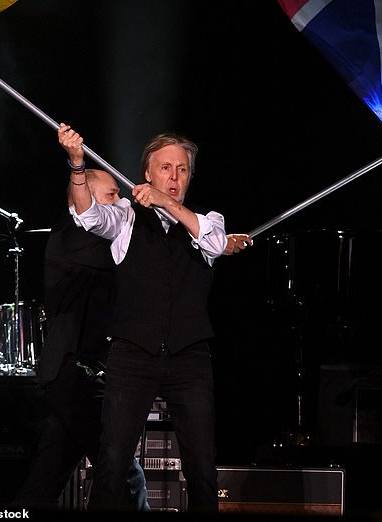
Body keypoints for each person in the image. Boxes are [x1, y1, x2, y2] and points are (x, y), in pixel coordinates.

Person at [58, 122, 251, 513]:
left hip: (189, 358)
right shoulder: (126, 218)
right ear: (147, 173)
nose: (173, 177)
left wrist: (166, 203)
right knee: (112, 464)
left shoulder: (208, 222)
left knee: (201, 469)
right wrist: (77, 164)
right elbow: (89, 215)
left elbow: (213, 243)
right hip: (132, 355)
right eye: (165, 168)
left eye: (181, 169)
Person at [12, 167, 149, 510]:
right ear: (84, 197)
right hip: (73, 374)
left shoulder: (91, 239)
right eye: (111, 196)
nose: (119, 203)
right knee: (122, 472)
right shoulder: (75, 235)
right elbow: (126, 252)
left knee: (44, 481)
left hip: (78, 375)